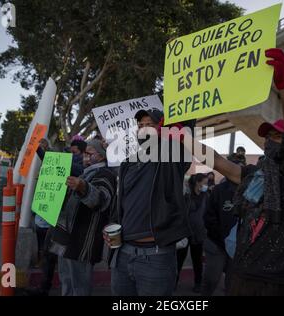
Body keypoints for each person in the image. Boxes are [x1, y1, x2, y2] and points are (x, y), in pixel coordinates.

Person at [181, 48, 284, 296]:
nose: (270, 141)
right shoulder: (255, 175)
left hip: (274, 279)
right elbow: (217, 161)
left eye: (278, 136)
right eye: (268, 136)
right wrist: (181, 136)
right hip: (241, 272)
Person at [104, 108, 194, 296]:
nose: (144, 129)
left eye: (150, 125)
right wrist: (111, 226)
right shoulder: (127, 163)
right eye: (140, 125)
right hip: (123, 254)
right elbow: (121, 205)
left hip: (156, 258)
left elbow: (187, 126)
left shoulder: (171, 157)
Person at [49, 139, 117, 296]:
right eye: (85, 153)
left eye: (89, 153)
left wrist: (83, 187)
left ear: (100, 156)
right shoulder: (85, 172)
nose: (85, 156)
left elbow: (101, 200)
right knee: (67, 283)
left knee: (79, 287)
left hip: (82, 243)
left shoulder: (106, 174)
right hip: (68, 240)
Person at [201, 155, 241, 296]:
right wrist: (223, 240)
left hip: (239, 247)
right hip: (217, 244)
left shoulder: (251, 190)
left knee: (233, 283)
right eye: (234, 164)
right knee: (211, 279)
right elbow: (209, 217)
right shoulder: (219, 190)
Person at [26, 138, 57, 296]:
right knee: (41, 242)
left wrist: (37, 148)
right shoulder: (42, 163)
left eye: (44, 145)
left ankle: (44, 284)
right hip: (41, 208)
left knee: (47, 249)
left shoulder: (53, 159)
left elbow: (44, 156)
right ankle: (41, 260)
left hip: (48, 212)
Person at [176, 173, 208, 293]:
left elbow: (207, 213)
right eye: (205, 182)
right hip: (185, 232)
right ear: (197, 183)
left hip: (198, 233)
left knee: (197, 260)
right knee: (179, 259)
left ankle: (198, 283)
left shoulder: (205, 196)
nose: (206, 185)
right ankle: (174, 281)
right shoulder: (186, 196)